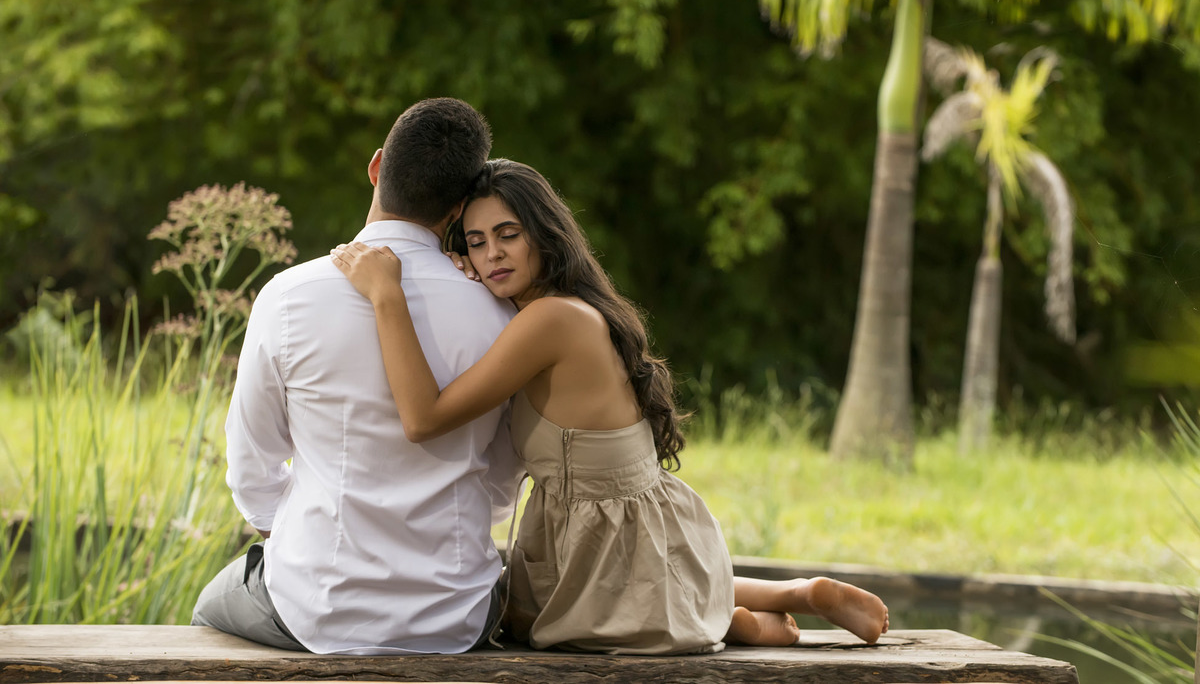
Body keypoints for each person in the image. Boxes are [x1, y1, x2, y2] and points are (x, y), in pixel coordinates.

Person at [330, 159, 890, 654]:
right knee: (493, 601)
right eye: (476, 242)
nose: (492, 253)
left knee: (506, 620)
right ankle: (791, 593)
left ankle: (731, 619)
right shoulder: (565, 307)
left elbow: (423, 418)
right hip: (637, 538)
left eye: (508, 235)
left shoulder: (548, 321)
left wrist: (387, 295)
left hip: (615, 550)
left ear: (544, 235)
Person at [191, 98, 525, 654]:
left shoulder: (288, 296)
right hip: (455, 612)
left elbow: (252, 466)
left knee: (210, 611)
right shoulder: (500, 312)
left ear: (375, 168)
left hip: (316, 606)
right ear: (460, 208)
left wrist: (297, 539)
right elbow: (501, 479)